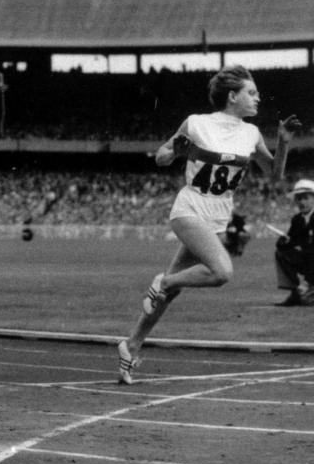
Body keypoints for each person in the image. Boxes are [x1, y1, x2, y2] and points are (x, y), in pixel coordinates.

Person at [118, 65, 298, 384]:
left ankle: (131, 346)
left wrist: (283, 142)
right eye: (251, 93)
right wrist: (176, 152)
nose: (258, 99)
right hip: (189, 208)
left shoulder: (251, 133)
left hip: (217, 216)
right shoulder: (197, 123)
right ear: (233, 96)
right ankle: (164, 281)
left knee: (170, 294)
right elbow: (161, 156)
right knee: (221, 272)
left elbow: (275, 174)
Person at [274, 178, 314, 307]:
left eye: (306, 198)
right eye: (299, 199)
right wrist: (283, 242)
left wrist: (307, 282)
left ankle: (308, 290)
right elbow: (291, 241)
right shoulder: (297, 220)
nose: (302, 202)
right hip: (308, 260)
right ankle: (296, 292)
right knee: (281, 253)